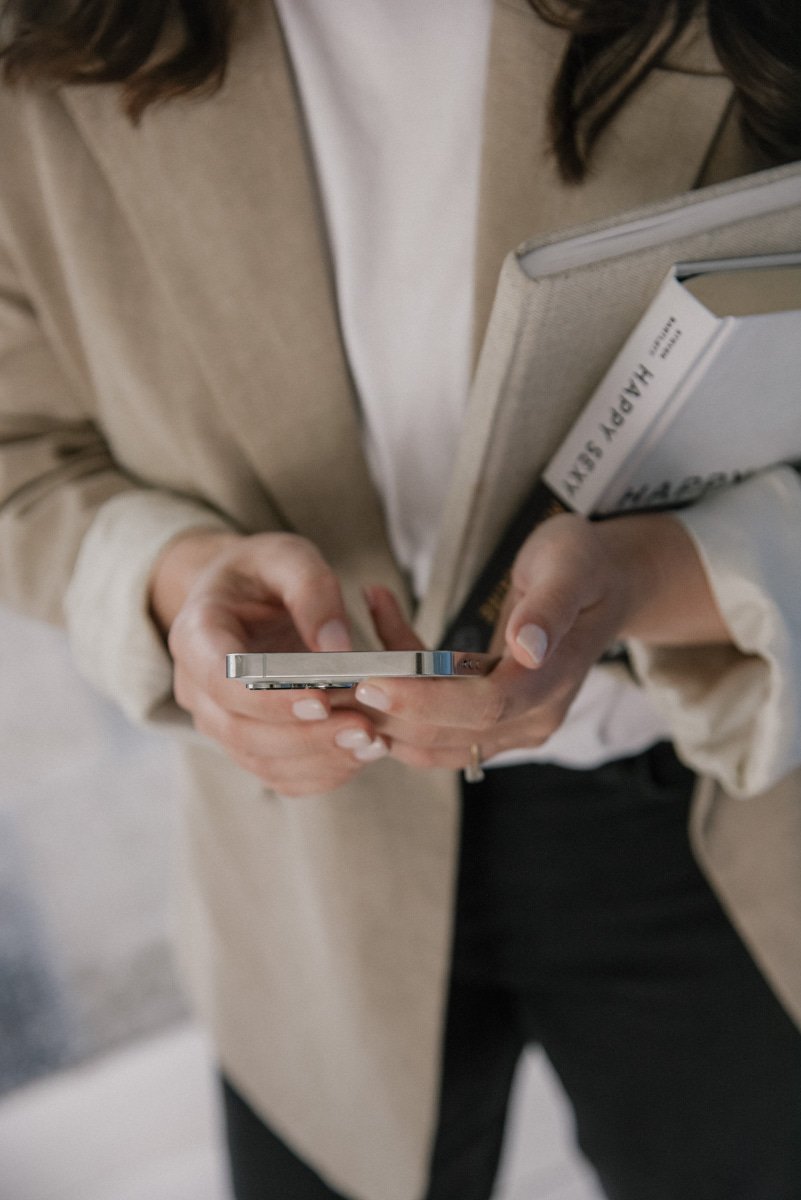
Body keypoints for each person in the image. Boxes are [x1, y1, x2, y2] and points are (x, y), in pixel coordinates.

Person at [1, 2, 800, 1197]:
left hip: (721, 808)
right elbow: (22, 445)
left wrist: (655, 576)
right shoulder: (43, 40)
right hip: (304, 862)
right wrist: (176, 583)